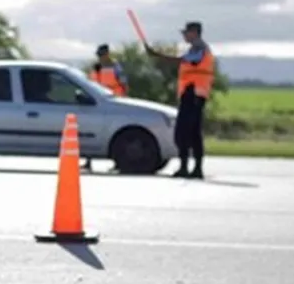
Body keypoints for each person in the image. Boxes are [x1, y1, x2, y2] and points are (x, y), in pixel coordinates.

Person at [145, 22, 214, 179]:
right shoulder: (197, 48)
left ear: (195, 32)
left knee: (185, 132)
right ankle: (193, 168)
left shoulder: (199, 48)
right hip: (193, 94)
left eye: (186, 32)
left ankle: (189, 167)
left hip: (193, 94)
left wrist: (157, 55)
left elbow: (182, 61)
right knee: (192, 133)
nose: (184, 35)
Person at [85, 44, 128, 170]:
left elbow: (124, 83)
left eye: (102, 55)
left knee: (115, 133)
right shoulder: (96, 68)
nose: (100, 57)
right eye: (99, 55)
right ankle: (88, 161)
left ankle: (118, 162)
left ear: (107, 54)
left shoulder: (116, 67)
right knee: (91, 131)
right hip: (97, 103)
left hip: (114, 103)